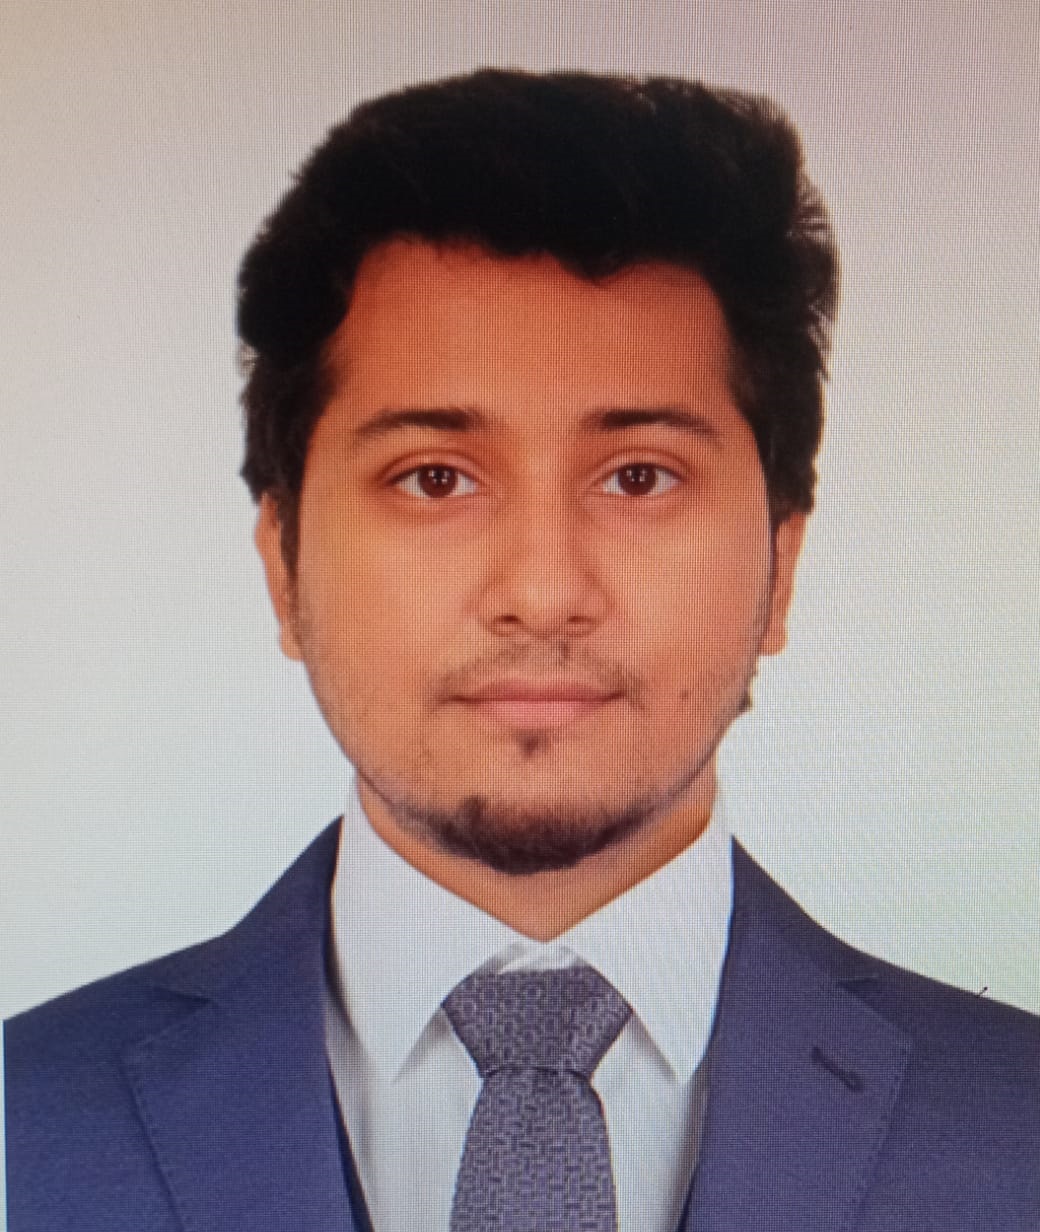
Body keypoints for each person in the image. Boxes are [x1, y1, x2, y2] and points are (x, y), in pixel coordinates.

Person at [5, 69, 1038, 1232]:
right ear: (282, 565)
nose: (542, 593)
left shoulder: (1018, 1122)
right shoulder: (26, 1114)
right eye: (433, 478)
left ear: (779, 566)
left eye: (637, 476)